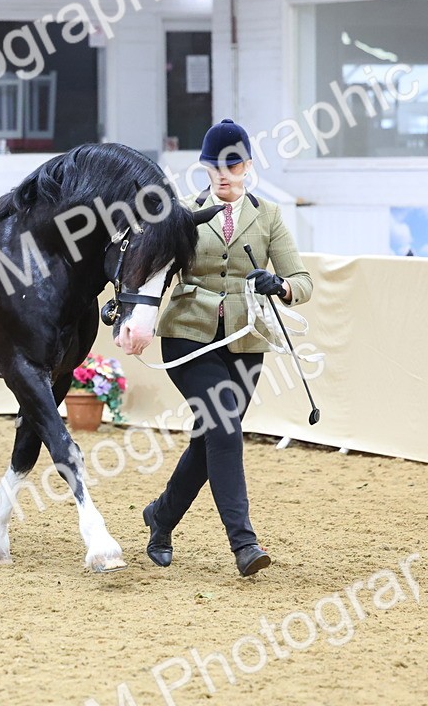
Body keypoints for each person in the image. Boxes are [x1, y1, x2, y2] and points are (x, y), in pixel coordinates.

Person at [143, 118, 313, 576]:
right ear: (204, 167)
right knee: (223, 427)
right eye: (215, 165)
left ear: (248, 167)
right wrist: (126, 313)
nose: (223, 173)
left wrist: (277, 286)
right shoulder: (180, 212)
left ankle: (161, 517)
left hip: (245, 340)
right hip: (187, 335)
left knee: (212, 437)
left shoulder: (270, 216)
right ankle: (244, 544)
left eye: (232, 164)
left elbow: (303, 282)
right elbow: (150, 270)